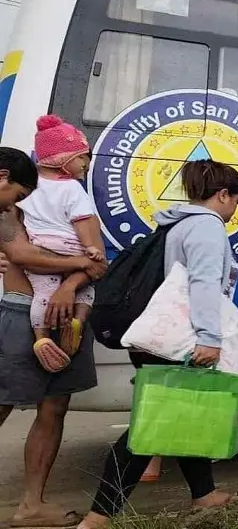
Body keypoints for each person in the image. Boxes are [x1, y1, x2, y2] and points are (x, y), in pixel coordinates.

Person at [77, 160, 238, 529]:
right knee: (151, 426)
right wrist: (209, 337)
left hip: (157, 336)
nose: (234, 211)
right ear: (223, 195)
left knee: (187, 414)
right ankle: (97, 518)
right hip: (178, 340)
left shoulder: (176, 222)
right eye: (235, 201)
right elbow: (202, 284)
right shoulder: (206, 226)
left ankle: (204, 495)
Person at [0, 145, 110, 529]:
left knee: (54, 409)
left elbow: (100, 262)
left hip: (69, 313)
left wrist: (69, 284)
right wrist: (79, 262)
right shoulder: (7, 210)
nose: (24, 200)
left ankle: (31, 505)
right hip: (20, 311)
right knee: (2, 403)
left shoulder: (67, 201)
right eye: (20, 193)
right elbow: (23, 255)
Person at [19, 116, 106, 373]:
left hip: (41, 247)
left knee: (43, 295)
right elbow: (82, 222)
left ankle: (42, 337)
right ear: (63, 159)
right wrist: (90, 250)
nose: (86, 165)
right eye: (82, 158)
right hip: (72, 247)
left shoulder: (28, 187)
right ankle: (76, 322)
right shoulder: (72, 189)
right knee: (87, 291)